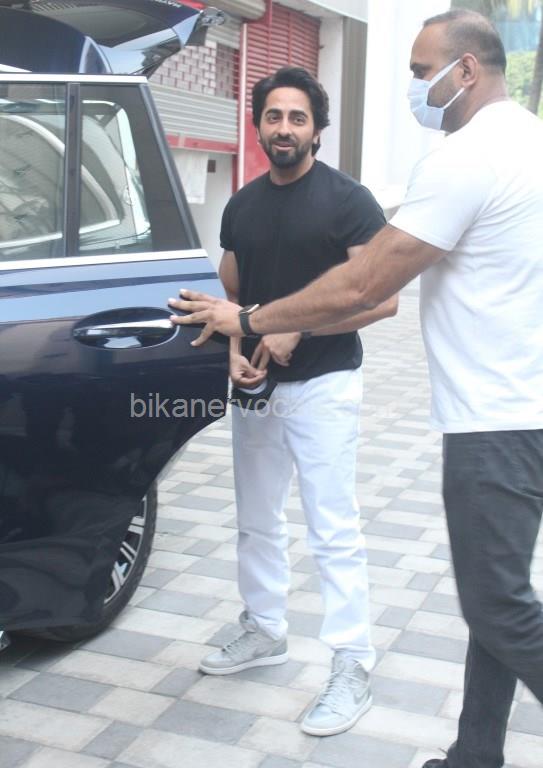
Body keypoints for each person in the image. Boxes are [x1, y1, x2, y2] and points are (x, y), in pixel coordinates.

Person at [169, 10, 543, 768]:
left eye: (420, 72)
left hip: (493, 414)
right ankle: (474, 754)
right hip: (510, 405)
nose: (415, 87)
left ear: (465, 71)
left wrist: (261, 320)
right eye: (271, 115)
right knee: (495, 600)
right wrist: (242, 334)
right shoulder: (525, 142)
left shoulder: (462, 159)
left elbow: (369, 284)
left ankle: (361, 673)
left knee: (492, 603)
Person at [193, 66, 398, 737]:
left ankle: (352, 663)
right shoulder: (241, 205)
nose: (284, 128)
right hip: (256, 388)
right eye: (274, 116)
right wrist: (232, 347)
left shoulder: (349, 201)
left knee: (332, 527)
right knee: (256, 520)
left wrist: (299, 329)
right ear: (257, 125)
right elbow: (230, 295)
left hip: (324, 384)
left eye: (297, 117)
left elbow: (385, 299)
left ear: (317, 129)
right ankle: (264, 628)